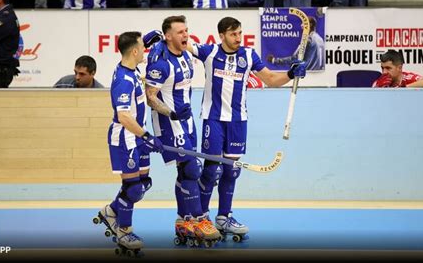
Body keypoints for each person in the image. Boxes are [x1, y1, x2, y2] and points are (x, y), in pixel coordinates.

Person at [186, 16, 306, 239]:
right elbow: (181, 43)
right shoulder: (209, 52)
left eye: (240, 33)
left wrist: (291, 74)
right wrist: (163, 34)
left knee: (232, 170)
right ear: (221, 35)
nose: (238, 38)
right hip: (213, 119)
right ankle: (201, 218)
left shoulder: (249, 55)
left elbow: (270, 79)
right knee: (211, 170)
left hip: (238, 121)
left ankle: (224, 217)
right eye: (233, 34)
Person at [144, 16, 221, 246]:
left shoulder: (187, 55)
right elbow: (150, 97)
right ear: (168, 36)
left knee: (185, 172)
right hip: (169, 122)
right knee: (192, 168)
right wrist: (170, 113)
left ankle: (183, 220)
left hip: (187, 121)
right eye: (180, 32)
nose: (185, 35)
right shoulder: (160, 62)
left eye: (186, 30)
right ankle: (199, 220)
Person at [94, 31, 164, 254]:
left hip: (137, 137)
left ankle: (111, 211)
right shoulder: (124, 80)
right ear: (134, 51)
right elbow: (124, 117)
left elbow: (138, 43)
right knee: (133, 189)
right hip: (126, 138)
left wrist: (156, 35)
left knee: (144, 183)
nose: (145, 49)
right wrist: (147, 136)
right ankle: (124, 231)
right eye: (142, 47)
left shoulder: (131, 67)